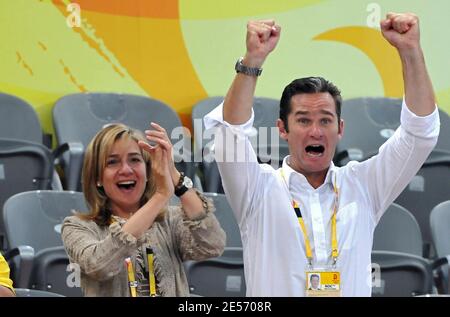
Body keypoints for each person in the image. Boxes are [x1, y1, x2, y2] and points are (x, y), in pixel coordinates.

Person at [204, 13, 439, 296]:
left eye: (325, 120)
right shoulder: (257, 188)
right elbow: (230, 135)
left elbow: (420, 134)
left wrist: (410, 50)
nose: (316, 131)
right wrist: (252, 61)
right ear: (282, 129)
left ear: (340, 129)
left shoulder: (364, 184)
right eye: (303, 120)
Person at [61, 123, 225, 296]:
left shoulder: (170, 220)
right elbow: (99, 266)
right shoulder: (76, 227)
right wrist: (160, 196)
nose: (125, 169)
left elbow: (212, 245)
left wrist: (173, 173)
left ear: (147, 172)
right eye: (112, 162)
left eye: (135, 160)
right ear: (97, 178)